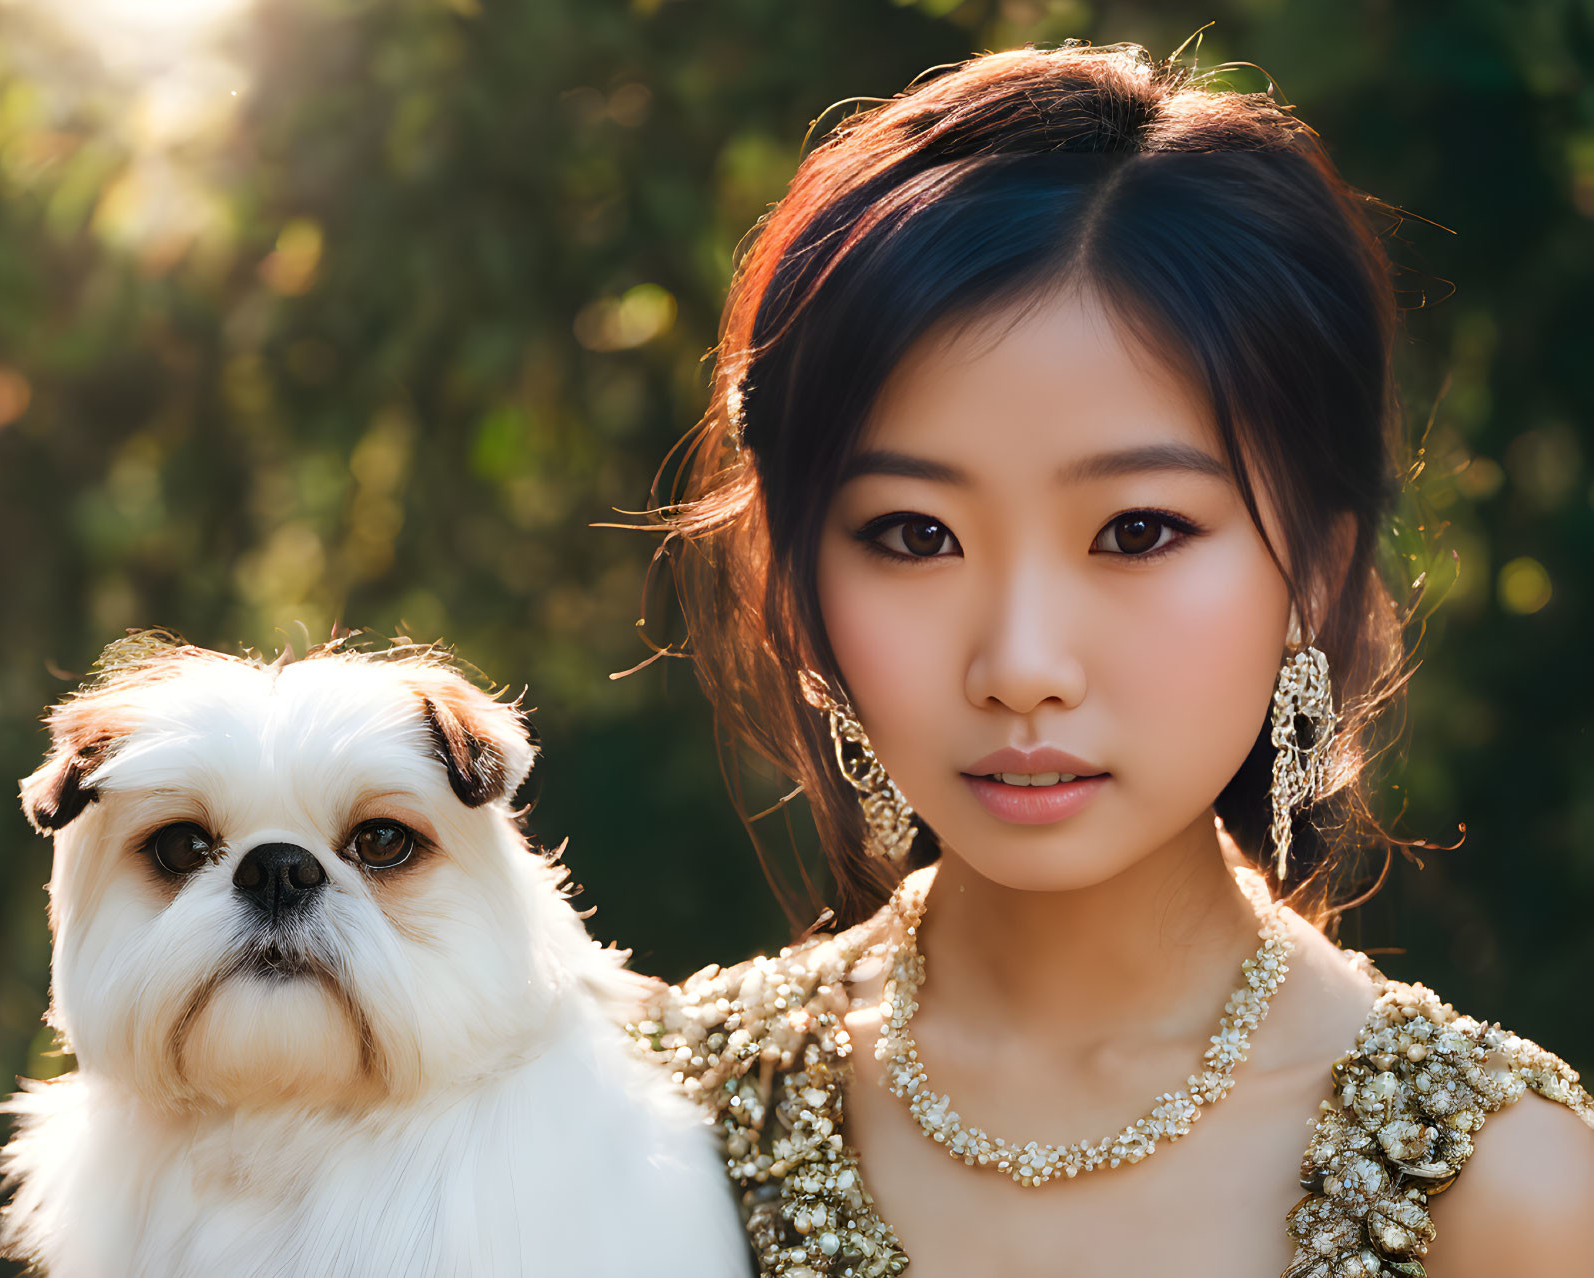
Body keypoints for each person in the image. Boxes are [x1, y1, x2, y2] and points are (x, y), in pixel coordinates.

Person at [621, 40, 1594, 1278]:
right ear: (796, 583)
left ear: (1312, 565)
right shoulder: (655, 1121)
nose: (1021, 666)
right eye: (913, 536)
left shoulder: (1497, 1192)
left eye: (1136, 531)